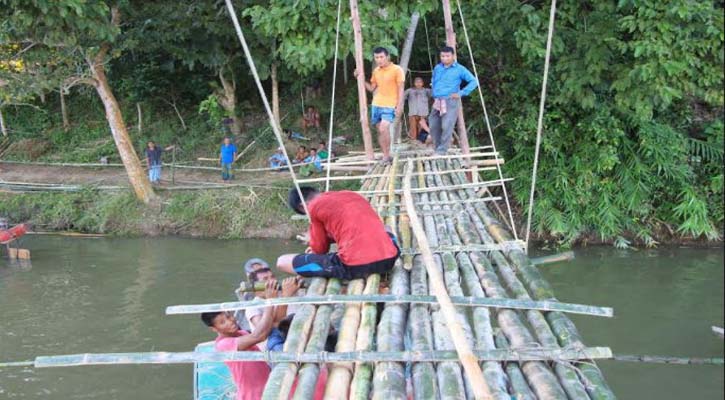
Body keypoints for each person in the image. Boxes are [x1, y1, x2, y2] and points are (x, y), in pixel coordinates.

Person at [277, 187, 400, 280]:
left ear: (302, 207)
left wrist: (312, 243)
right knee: (386, 228)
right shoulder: (352, 195)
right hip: (390, 258)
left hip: (357, 265)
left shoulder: (313, 206)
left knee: (282, 261)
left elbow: (320, 250)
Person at [201, 279, 277, 400]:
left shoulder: (241, 333)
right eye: (222, 322)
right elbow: (259, 336)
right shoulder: (223, 345)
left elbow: (264, 332)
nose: (230, 321)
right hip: (252, 396)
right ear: (214, 329)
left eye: (228, 316)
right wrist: (269, 302)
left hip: (267, 388)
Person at [354, 47, 405, 164]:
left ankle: (387, 156)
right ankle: (385, 155)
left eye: (381, 57)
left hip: (390, 104)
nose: (379, 59)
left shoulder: (397, 70)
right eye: (376, 57)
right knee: (379, 130)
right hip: (377, 104)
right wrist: (360, 78)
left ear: (387, 57)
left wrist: (400, 105)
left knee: (383, 128)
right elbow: (372, 88)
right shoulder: (376, 71)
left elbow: (401, 89)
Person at [429, 46, 479, 154]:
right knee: (433, 124)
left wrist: (461, 93)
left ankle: (442, 150)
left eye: (447, 56)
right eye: (442, 56)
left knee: (446, 125)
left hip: (450, 100)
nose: (445, 58)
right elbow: (433, 79)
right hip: (438, 100)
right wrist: (434, 89)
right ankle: (437, 147)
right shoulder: (438, 68)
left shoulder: (459, 69)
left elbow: (474, 81)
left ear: (453, 56)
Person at [246, 269, 301, 351]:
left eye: (272, 277)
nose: (272, 281)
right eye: (265, 279)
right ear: (255, 287)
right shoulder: (253, 306)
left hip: (296, 339)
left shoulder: (284, 292)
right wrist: (284, 298)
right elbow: (270, 329)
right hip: (273, 349)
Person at [403, 77, 432, 141]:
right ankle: (413, 141)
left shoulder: (427, 91)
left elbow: (434, 95)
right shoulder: (409, 91)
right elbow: (402, 97)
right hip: (413, 113)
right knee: (413, 128)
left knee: (421, 128)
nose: (418, 84)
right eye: (417, 82)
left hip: (423, 113)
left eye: (420, 82)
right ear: (414, 83)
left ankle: (420, 141)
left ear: (422, 83)